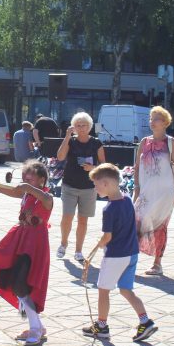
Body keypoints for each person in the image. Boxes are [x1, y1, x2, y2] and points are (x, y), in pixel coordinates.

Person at [0, 160, 53, 345]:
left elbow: (45, 200)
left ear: (42, 179)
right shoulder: (25, 194)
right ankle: (36, 326)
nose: (26, 180)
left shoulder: (46, 197)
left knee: (22, 283)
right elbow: (3, 188)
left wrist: (29, 188)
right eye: (25, 176)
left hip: (35, 244)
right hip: (20, 239)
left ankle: (36, 327)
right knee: (14, 281)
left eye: (31, 177)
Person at [81, 163, 157, 342]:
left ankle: (101, 326)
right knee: (126, 290)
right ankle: (145, 321)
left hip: (116, 256)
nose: (95, 187)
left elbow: (108, 236)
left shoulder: (109, 209)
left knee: (103, 290)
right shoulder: (127, 199)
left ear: (106, 183)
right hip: (131, 253)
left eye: (96, 184)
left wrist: (96, 248)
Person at [133, 107, 174, 276]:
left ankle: (157, 263)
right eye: (151, 118)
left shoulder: (171, 142)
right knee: (137, 220)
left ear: (164, 123)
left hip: (165, 192)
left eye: (156, 119)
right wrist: (137, 188)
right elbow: (137, 166)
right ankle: (130, 257)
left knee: (160, 225)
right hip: (146, 191)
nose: (152, 122)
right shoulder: (144, 142)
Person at [56, 111, 105, 262]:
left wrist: (93, 168)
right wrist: (66, 137)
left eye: (84, 125)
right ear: (73, 127)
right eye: (78, 125)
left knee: (83, 220)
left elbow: (104, 164)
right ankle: (63, 243)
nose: (81, 128)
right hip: (70, 184)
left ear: (90, 126)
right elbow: (60, 157)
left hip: (89, 187)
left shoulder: (96, 143)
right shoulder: (70, 141)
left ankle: (78, 250)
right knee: (67, 217)